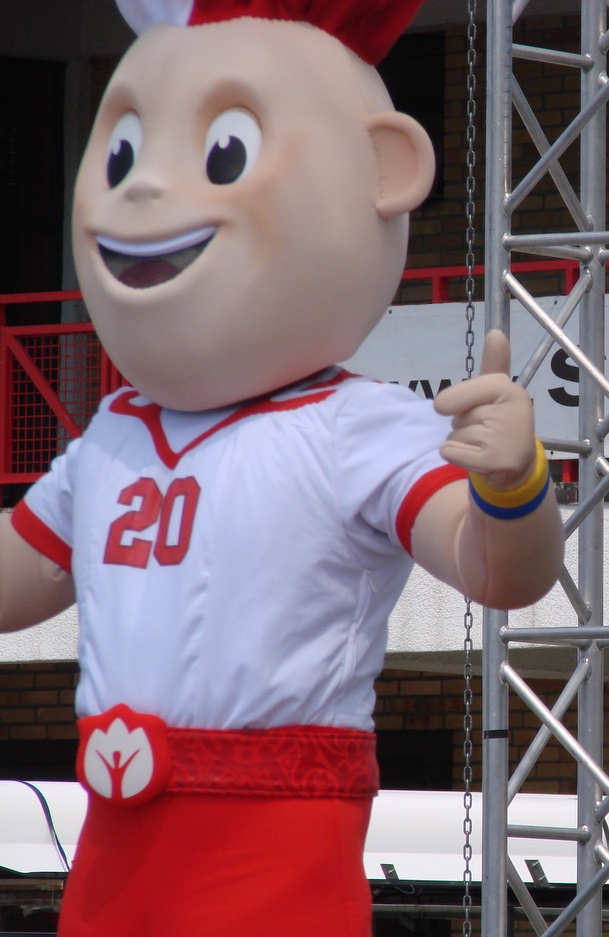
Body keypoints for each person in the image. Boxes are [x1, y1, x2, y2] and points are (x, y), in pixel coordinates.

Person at [0, 2, 563, 935]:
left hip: (277, 850)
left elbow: (496, 571)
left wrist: (514, 488)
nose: (146, 190)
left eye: (223, 153)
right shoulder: (112, 434)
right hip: (110, 852)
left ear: (386, 170)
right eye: (123, 155)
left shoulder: (355, 426)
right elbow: (17, 575)